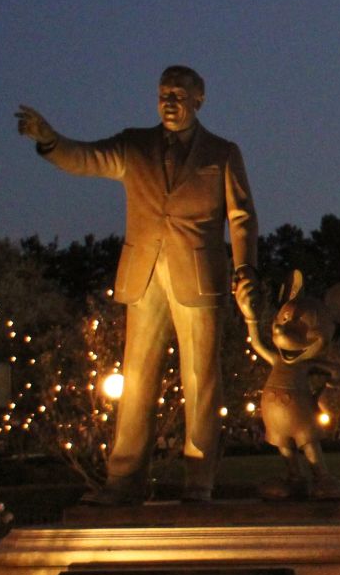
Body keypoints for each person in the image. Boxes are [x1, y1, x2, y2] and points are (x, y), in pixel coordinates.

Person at [17, 66, 259, 504]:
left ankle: (199, 481)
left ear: (199, 99)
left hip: (199, 277)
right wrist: (51, 141)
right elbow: (86, 158)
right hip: (143, 273)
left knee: (201, 380)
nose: (168, 100)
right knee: (136, 378)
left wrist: (246, 272)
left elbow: (241, 218)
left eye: (178, 94)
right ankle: (124, 480)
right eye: (163, 93)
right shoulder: (134, 145)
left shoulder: (222, 152)